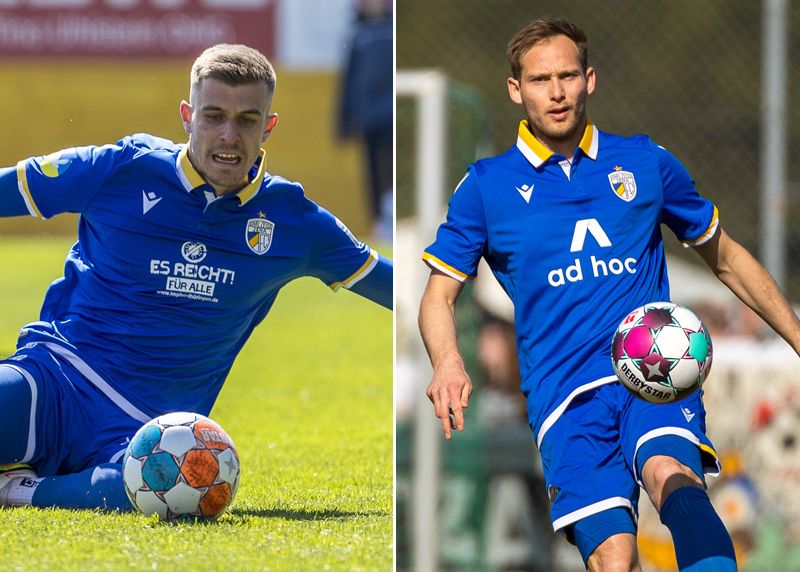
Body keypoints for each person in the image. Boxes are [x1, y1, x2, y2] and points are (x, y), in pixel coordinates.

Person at [418, 17, 800, 571]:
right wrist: (448, 362)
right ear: (515, 89)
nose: (556, 92)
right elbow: (438, 294)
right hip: (562, 397)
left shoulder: (645, 162)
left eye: (568, 76)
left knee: (673, 476)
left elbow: (727, 257)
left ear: (589, 79)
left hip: (653, 364)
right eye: (540, 79)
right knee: (613, 558)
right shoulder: (486, 187)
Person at [0, 44, 392, 511]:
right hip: (55, 381)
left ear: (269, 125)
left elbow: (397, 285)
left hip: (147, 430)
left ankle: (21, 491)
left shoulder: (295, 222)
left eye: (247, 119)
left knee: (174, 488)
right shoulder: (120, 168)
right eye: (213, 116)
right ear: (188, 116)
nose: (229, 135)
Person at [337, 0, 393, 242]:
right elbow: (348, 82)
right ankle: (379, 221)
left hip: (389, 116)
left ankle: (391, 214)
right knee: (371, 172)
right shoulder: (358, 35)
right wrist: (345, 123)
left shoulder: (391, 32)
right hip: (368, 118)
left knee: (390, 167)